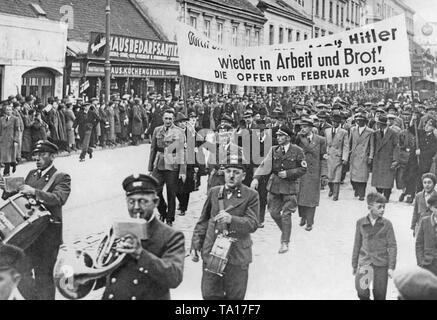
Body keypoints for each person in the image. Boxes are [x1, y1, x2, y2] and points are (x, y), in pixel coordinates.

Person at [2, 140, 71, 300]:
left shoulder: (61, 177)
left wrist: (34, 191)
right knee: (20, 273)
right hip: (29, 235)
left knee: (44, 277)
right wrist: (6, 187)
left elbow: (58, 198)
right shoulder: (32, 174)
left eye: (42, 155)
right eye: (36, 155)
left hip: (48, 236)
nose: (38, 158)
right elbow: (16, 192)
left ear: (53, 156)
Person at [101, 174, 185, 300]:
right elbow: (103, 273)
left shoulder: (171, 236)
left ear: (156, 202)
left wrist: (141, 254)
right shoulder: (118, 230)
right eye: (131, 201)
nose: (136, 207)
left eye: (142, 201)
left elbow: (174, 278)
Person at [191, 151, 259, 300]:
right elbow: (203, 220)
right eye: (228, 171)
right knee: (209, 294)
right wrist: (196, 244)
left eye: (236, 172)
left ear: (244, 175)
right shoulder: (214, 192)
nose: (231, 175)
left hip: (237, 255)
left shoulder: (251, 195)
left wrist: (231, 219)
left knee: (235, 297)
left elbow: (253, 223)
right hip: (213, 253)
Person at [252, 126, 307, 253]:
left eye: (281, 136)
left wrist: (288, 173)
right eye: (277, 135)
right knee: (273, 213)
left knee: (287, 214)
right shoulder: (274, 149)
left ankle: (285, 242)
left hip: (290, 187)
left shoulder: (297, 151)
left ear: (287, 137)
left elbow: (303, 169)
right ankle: (286, 231)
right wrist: (256, 178)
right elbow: (264, 165)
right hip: (274, 186)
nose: (278, 138)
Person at [352, 192, 397, 300]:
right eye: (379, 207)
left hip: (381, 263)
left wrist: (391, 267)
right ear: (369, 207)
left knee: (380, 294)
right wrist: (354, 264)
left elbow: (392, 246)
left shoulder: (387, 224)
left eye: (384, 207)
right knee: (361, 290)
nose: (382, 209)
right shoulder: (360, 223)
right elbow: (357, 244)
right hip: (365, 262)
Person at [148, 109, 186, 226]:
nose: (168, 121)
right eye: (166, 118)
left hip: (172, 164)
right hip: (158, 164)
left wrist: (182, 171)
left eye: (170, 118)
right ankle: (162, 211)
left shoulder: (179, 131)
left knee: (171, 192)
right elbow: (153, 149)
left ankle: (170, 218)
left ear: (173, 119)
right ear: (162, 119)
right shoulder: (157, 130)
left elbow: (182, 152)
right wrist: (150, 168)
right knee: (155, 191)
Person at [295, 118, 328, 231]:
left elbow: (323, 158)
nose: (302, 129)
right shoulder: (298, 139)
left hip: (314, 172)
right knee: (300, 197)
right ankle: (303, 216)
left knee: (311, 198)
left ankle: (310, 222)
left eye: (304, 127)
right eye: (301, 127)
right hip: (301, 171)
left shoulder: (321, 140)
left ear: (310, 128)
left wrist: (324, 174)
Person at [371, 115, 400, 201]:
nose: (378, 125)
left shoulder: (393, 133)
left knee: (388, 180)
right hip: (378, 159)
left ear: (383, 124)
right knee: (377, 180)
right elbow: (373, 146)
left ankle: (386, 196)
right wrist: (371, 157)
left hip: (388, 158)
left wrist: (395, 160)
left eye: (379, 124)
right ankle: (379, 195)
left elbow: (396, 147)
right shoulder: (375, 133)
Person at [325, 114, 349, 201]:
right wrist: (324, 153)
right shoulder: (327, 131)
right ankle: (331, 189)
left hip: (338, 156)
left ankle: (336, 195)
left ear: (339, 123)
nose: (334, 123)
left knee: (337, 177)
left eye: (336, 122)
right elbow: (325, 144)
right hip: (329, 156)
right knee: (329, 176)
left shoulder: (344, 132)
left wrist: (345, 158)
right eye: (333, 122)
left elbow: (346, 146)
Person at [415, 193, 437, 276]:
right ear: (431, 207)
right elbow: (419, 244)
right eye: (436, 208)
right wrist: (421, 262)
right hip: (428, 264)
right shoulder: (425, 221)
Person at [0, 104, 20, 176]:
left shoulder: (15, 119)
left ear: (12, 111)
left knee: (8, 156)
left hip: (11, 139)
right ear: (5, 111)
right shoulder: (1, 119)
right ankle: (13, 163)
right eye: (7, 110)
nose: (8, 111)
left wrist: (16, 140)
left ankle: (7, 171)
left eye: (10, 110)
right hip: (3, 140)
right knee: (4, 156)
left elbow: (17, 130)